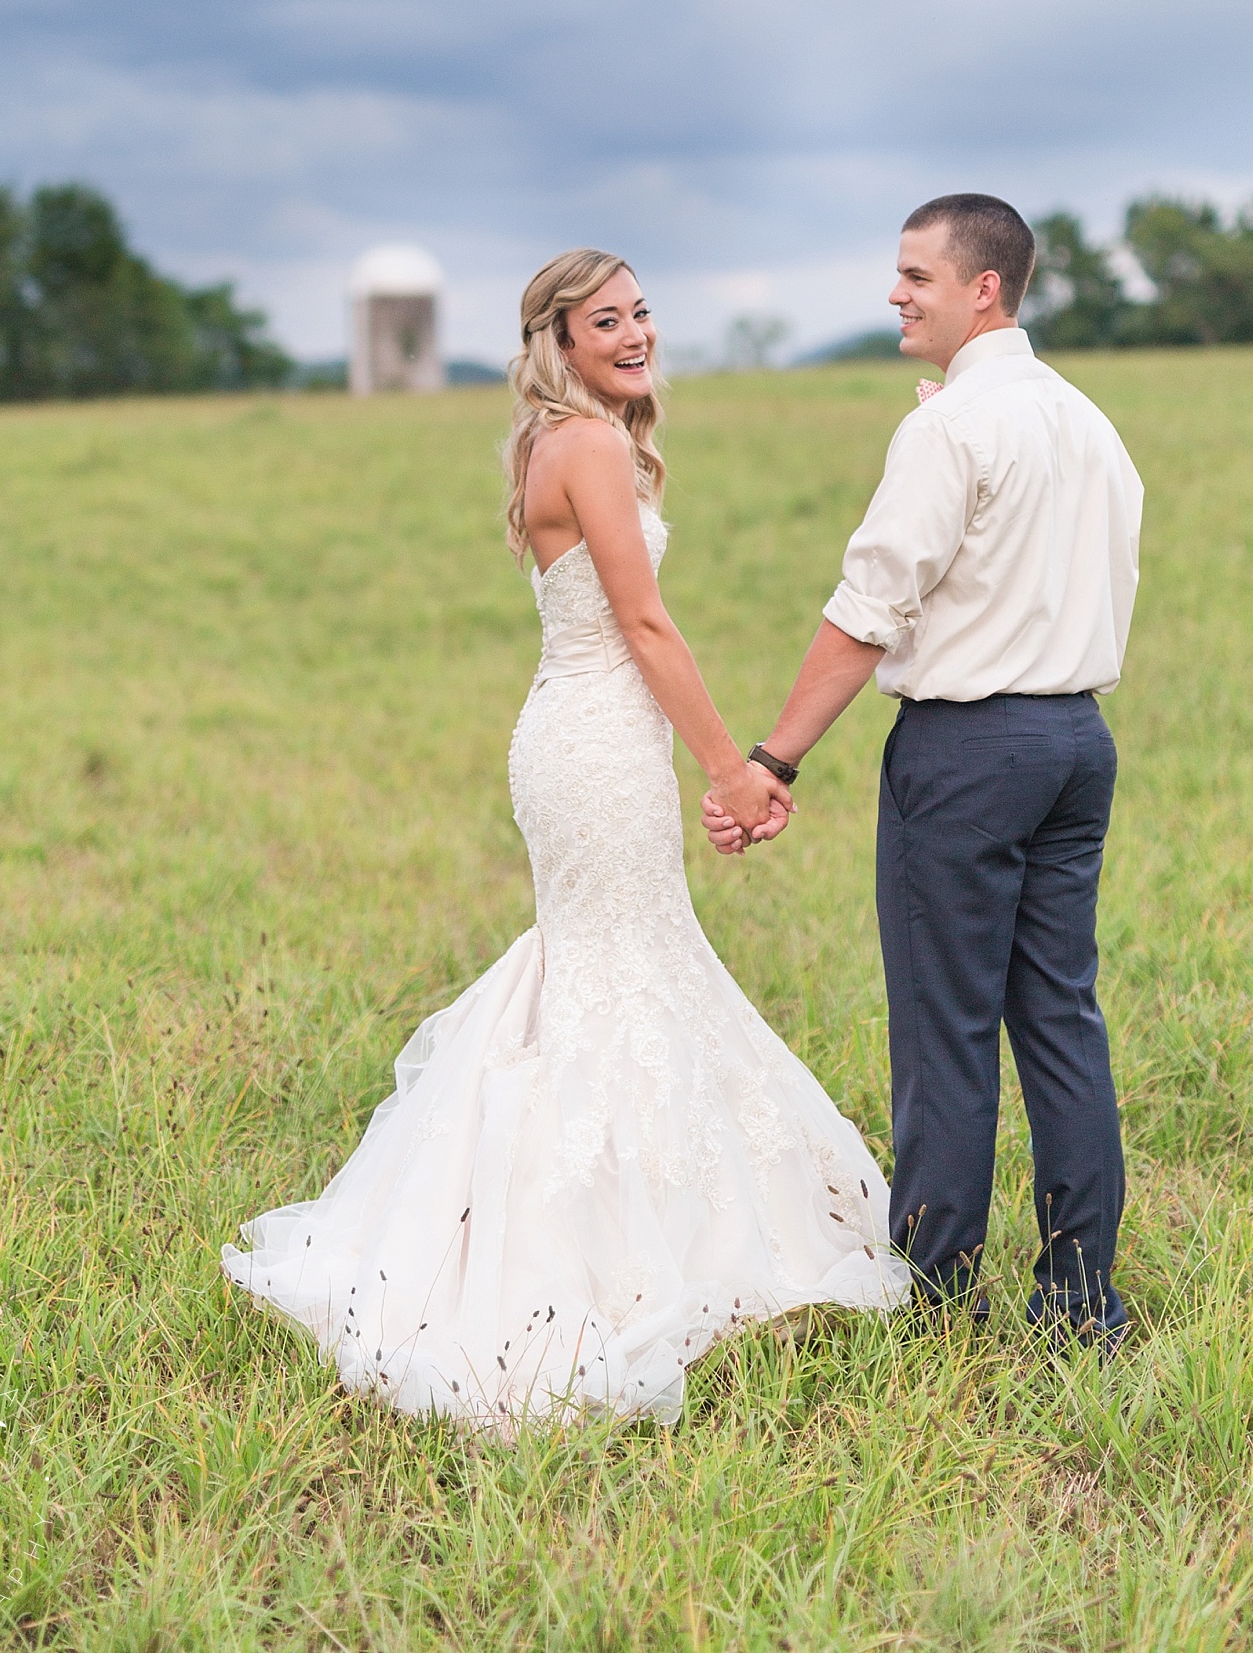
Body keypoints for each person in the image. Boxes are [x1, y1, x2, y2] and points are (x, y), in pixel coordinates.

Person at [222, 248, 910, 1430]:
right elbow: (643, 621)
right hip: (595, 742)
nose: (637, 331)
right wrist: (732, 767)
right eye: (608, 319)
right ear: (560, 337)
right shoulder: (584, 444)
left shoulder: (573, 438)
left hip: (593, 734)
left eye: (643, 311)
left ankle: (649, 1211)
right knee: (612, 966)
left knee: (620, 958)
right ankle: (589, 1246)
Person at [703, 195, 1143, 1347]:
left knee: (945, 1024)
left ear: (983, 288)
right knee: (1061, 1015)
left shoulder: (948, 431)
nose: (896, 293)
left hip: (969, 752)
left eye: (917, 275)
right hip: (1076, 741)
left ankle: (940, 1291)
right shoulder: (1090, 423)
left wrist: (772, 757)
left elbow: (868, 612)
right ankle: (1081, 1295)